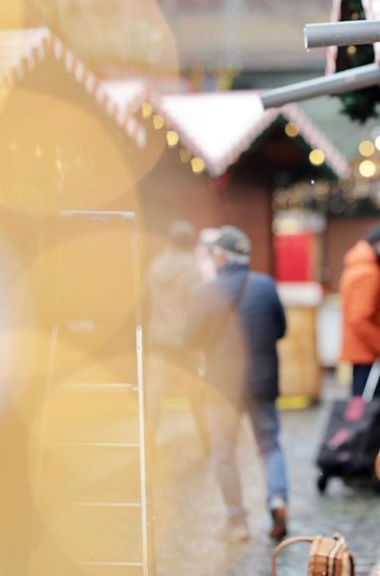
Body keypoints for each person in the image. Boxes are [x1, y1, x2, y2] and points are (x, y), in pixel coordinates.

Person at [189, 226, 291, 541]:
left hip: (222, 386)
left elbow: (189, 337)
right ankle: (277, 498)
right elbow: (280, 329)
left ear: (221, 257)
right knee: (270, 445)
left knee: (224, 453)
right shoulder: (265, 285)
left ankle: (237, 522)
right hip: (262, 382)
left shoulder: (206, 292)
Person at [143, 221, 206, 441]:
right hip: (184, 340)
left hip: (158, 338)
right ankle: (206, 438)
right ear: (190, 242)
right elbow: (198, 306)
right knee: (195, 390)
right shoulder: (192, 268)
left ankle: (150, 436)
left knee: (155, 391)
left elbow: (145, 300)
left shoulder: (155, 265)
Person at [339, 224, 380, 397]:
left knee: (363, 408)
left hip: (364, 353)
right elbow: (360, 319)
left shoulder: (363, 267)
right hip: (368, 355)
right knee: (368, 411)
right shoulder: (369, 272)